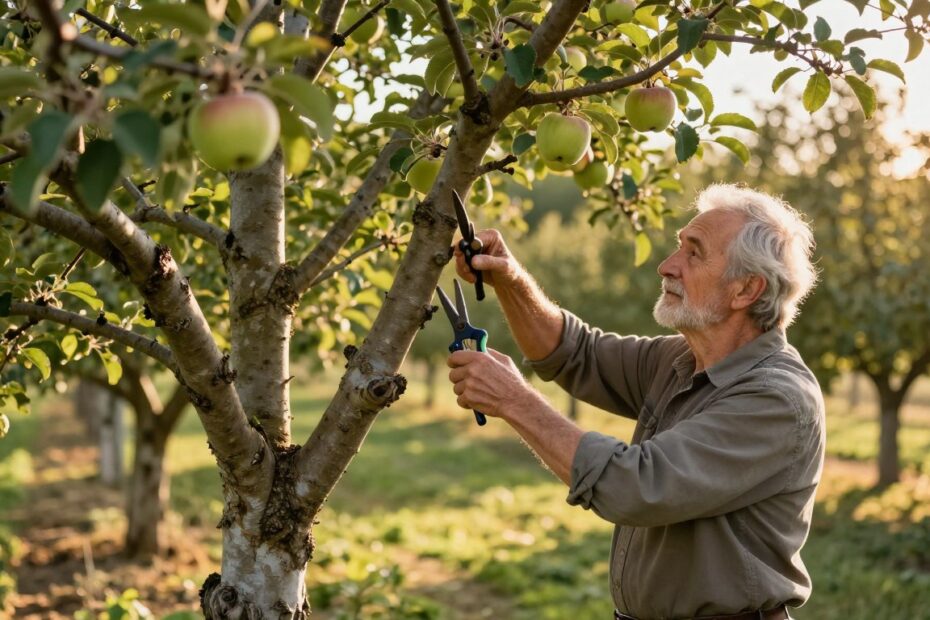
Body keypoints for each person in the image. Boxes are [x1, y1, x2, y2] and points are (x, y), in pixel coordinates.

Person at [446, 184, 825, 620]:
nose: (667, 266)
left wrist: (513, 399)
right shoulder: (682, 360)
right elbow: (576, 353)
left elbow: (636, 487)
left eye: (694, 253)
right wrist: (509, 279)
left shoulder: (775, 399)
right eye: (677, 247)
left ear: (746, 290)